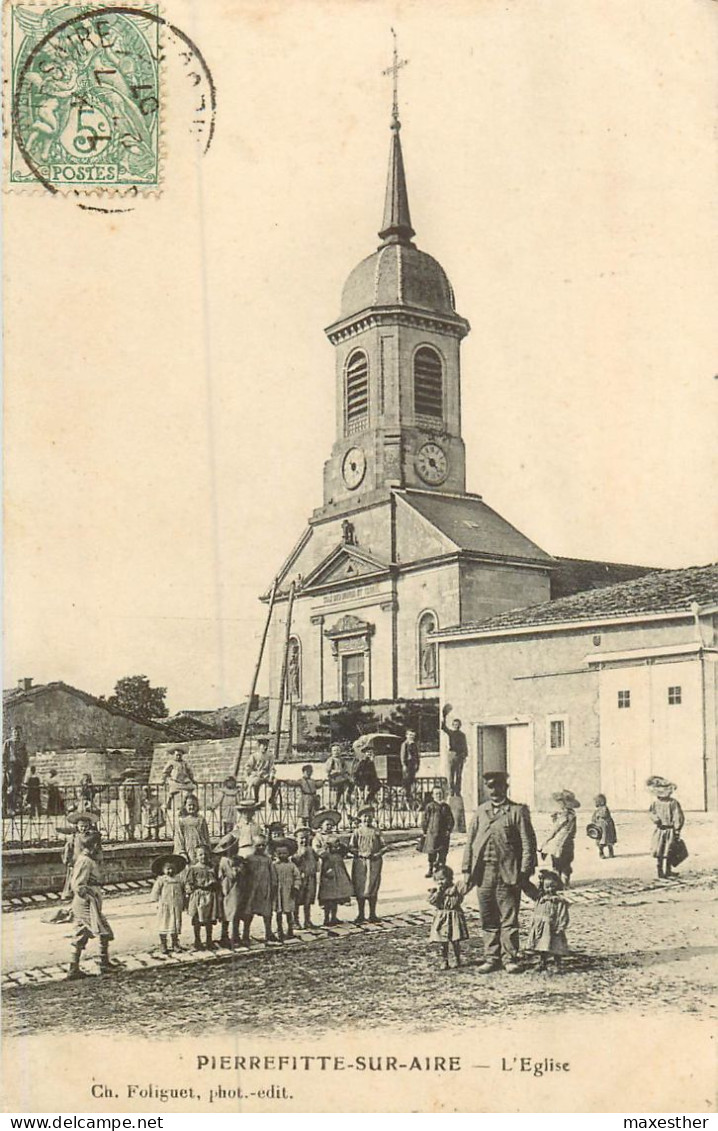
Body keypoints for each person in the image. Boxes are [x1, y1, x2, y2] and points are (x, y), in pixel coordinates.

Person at [462, 769, 537, 974]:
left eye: (498, 786)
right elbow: (470, 842)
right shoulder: (481, 811)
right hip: (483, 873)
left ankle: (510, 958)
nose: (494, 791)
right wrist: (466, 869)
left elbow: (528, 842)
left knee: (509, 918)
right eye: (491, 787)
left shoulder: (517, 811)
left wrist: (524, 871)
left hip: (508, 873)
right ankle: (491, 957)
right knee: (488, 916)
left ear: (506, 787)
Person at [66, 828, 116, 980]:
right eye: (98, 845)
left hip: (88, 902)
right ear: (94, 846)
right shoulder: (85, 861)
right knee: (104, 931)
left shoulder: (87, 860)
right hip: (85, 904)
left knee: (81, 933)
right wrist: (90, 897)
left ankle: (73, 968)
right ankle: (103, 963)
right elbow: (77, 885)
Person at [312, 809, 353, 926]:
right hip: (327, 866)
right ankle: (326, 918)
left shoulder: (335, 836)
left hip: (338, 866)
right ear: (321, 826)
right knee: (327, 894)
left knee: (336, 893)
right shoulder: (318, 838)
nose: (329, 827)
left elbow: (342, 851)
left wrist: (341, 849)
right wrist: (327, 849)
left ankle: (334, 916)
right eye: (327, 825)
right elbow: (318, 851)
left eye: (331, 825)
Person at [526, 869, 570, 973]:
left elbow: (563, 914)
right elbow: (536, 912)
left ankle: (557, 964)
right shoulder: (540, 900)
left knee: (556, 947)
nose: (550, 890)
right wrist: (534, 924)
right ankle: (542, 962)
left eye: (552, 887)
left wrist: (561, 926)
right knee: (541, 945)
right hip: (541, 928)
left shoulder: (559, 901)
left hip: (553, 928)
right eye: (547, 887)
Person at [240, 834, 278, 946]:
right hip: (251, 890)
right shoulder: (248, 858)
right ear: (252, 845)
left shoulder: (268, 859)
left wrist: (273, 886)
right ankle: (245, 934)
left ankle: (268, 932)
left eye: (263, 845)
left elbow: (272, 874)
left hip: (264, 889)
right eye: (258, 845)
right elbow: (244, 874)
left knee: (267, 913)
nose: (261, 848)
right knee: (248, 913)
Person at [429, 863, 469, 970]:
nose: (440, 882)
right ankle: (444, 960)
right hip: (442, 916)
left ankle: (457, 958)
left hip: (454, 915)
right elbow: (432, 901)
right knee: (443, 941)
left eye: (442, 879)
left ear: (449, 878)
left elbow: (465, 887)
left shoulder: (456, 888)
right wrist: (438, 892)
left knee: (455, 940)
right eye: (437, 880)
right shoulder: (437, 892)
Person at [348, 806, 384, 924]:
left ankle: (372, 914)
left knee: (373, 886)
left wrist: (377, 854)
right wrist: (360, 853)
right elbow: (351, 847)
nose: (367, 819)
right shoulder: (357, 832)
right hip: (360, 862)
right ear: (360, 818)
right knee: (360, 887)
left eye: (369, 816)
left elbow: (385, 846)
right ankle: (361, 914)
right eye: (364, 816)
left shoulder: (377, 831)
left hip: (374, 862)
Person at [647, 776, 686, 879]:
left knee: (661, 850)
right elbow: (678, 816)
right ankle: (666, 871)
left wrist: (656, 820)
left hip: (660, 830)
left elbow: (651, 813)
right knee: (668, 851)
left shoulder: (656, 803)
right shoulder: (673, 803)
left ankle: (661, 871)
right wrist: (677, 829)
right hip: (669, 830)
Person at [184, 843, 220, 950]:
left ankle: (209, 940)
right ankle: (197, 940)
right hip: (198, 895)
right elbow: (189, 882)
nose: (203, 857)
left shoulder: (212, 868)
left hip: (210, 895)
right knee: (197, 919)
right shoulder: (193, 869)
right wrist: (189, 890)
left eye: (205, 854)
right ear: (196, 856)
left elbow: (217, 880)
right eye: (200, 855)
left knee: (209, 920)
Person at [541, 790, 580, 887]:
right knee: (566, 863)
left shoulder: (565, 815)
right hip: (569, 842)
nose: (558, 804)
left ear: (563, 803)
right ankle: (565, 882)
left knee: (558, 863)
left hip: (560, 843)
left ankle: (559, 883)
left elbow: (555, 830)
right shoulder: (572, 813)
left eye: (560, 802)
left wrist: (545, 841)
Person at [151, 853, 187, 955]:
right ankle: (163, 943)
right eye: (167, 869)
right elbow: (155, 892)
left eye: (172, 868)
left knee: (174, 924)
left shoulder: (179, 879)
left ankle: (175, 943)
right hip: (165, 906)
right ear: (163, 870)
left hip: (176, 906)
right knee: (164, 923)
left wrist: (184, 902)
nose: (170, 871)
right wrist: (156, 902)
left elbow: (183, 891)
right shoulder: (162, 880)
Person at [214, 833, 245, 949]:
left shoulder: (236, 859)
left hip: (237, 888)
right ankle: (225, 936)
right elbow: (232, 875)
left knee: (236, 912)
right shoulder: (225, 861)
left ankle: (235, 934)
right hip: (229, 888)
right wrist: (238, 868)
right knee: (228, 912)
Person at [421, 786, 455, 878]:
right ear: (433, 795)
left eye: (440, 793)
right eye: (436, 794)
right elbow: (425, 819)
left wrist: (448, 830)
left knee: (443, 852)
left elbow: (450, 819)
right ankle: (430, 869)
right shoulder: (430, 806)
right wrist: (425, 831)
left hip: (443, 834)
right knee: (432, 853)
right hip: (432, 833)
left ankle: (441, 870)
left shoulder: (446, 807)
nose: (438, 795)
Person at [273, 837, 301, 942]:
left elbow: (297, 877)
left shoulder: (292, 865)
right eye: (279, 853)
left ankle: (290, 930)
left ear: (288, 854)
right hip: (278, 892)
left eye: (284, 853)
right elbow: (271, 878)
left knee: (289, 912)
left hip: (289, 892)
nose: (282, 855)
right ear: (275, 854)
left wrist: (296, 887)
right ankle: (280, 930)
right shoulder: (274, 866)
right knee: (279, 912)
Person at [292, 826, 318, 930]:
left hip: (310, 877)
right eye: (301, 838)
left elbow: (316, 859)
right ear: (296, 839)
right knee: (297, 900)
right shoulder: (295, 850)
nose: (304, 840)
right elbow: (293, 862)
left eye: (306, 838)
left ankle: (307, 920)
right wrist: (299, 855)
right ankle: (295, 920)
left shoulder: (311, 849)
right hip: (299, 878)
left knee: (308, 900)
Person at [174, 793, 211, 861]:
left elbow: (206, 837)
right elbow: (179, 838)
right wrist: (182, 852)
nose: (192, 807)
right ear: (185, 806)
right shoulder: (181, 821)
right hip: (188, 848)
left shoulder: (201, 819)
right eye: (189, 805)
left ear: (197, 806)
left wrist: (207, 849)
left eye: (194, 805)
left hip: (200, 850)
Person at [161, 748, 196, 820]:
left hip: (184, 781)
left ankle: (186, 805)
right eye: (177, 755)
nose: (178, 757)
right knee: (172, 791)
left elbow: (190, 772)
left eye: (180, 755)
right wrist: (163, 780)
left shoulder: (184, 763)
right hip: (175, 781)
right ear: (174, 755)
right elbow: (165, 771)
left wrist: (193, 779)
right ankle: (167, 804)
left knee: (190, 789)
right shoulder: (171, 762)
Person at [441, 706, 468, 797]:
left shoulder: (462, 735)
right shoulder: (451, 733)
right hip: (452, 754)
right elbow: (443, 727)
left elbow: (465, 746)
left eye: (457, 724)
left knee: (459, 775)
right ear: (453, 725)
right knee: (451, 774)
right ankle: (451, 791)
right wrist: (444, 716)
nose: (456, 726)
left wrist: (465, 756)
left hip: (460, 755)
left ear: (459, 725)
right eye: (454, 724)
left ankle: (458, 791)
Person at [3, 726, 28, 815]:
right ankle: (10, 808)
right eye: (15, 732)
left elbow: (25, 755)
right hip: (11, 767)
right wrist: (4, 767)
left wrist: (25, 766)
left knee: (18, 787)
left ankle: (17, 807)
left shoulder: (22, 743)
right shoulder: (8, 743)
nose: (17, 734)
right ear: (12, 733)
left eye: (18, 732)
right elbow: (4, 755)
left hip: (20, 768)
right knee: (11, 787)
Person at [244, 737, 276, 804]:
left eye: (266, 745)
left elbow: (272, 767)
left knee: (275, 782)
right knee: (256, 782)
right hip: (257, 775)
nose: (265, 747)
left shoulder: (270, 755)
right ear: (259, 746)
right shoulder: (254, 756)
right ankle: (256, 800)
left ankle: (272, 800)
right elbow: (248, 767)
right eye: (263, 745)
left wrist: (271, 775)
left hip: (266, 775)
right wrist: (255, 773)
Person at [591, 794, 617, 859]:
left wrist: (598, 816)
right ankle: (601, 853)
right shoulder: (597, 810)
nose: (595, 803)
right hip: (600, 827)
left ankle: (611, 853)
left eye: (596, 801)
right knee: (600, 841)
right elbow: (593, 819)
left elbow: (604, 815)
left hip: (607, 827)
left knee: (609, 841)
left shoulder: (604, 808)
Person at [400, 729, 420, 805]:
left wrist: (417, 764)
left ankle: (411, 797)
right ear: (406, 735)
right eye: (410, 735)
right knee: (406, 781)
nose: (412, 737)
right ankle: (406, 798)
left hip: (412, 764)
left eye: (413, 735)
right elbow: (402, 755)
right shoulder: (404, 744)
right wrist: (404, 765)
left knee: (412, 781)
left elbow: (417, 756)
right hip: (407, 764)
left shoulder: (414, 745)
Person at [121, 774, 143, 841]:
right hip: (130, 804)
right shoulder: (136, 785)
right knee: (131, 818)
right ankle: (131, 834)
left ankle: (130, 834)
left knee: (128, 818)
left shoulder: (123, 785)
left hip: (131, 804)